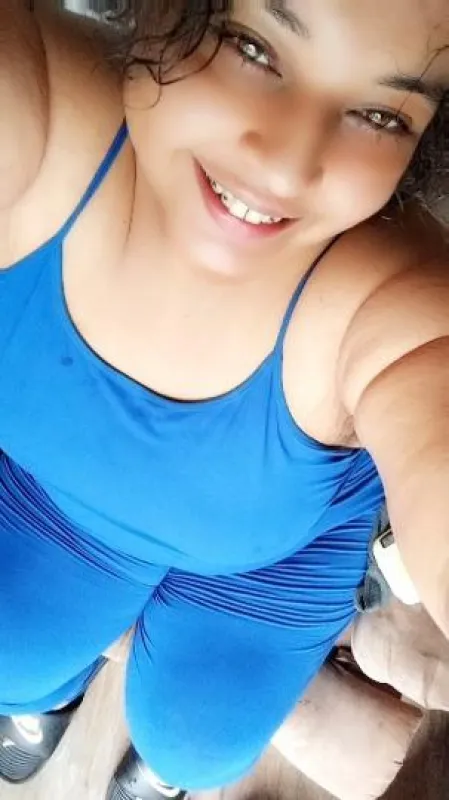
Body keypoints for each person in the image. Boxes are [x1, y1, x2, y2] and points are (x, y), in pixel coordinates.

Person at [0, 1, 447, 798]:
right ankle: (55, 689)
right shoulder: (36, 118)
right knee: (14, 660)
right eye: (252, 47)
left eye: (381, 115)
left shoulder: (394, 298)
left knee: (197, 746)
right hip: (47, 499)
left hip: (274, 559)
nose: (287, 167)